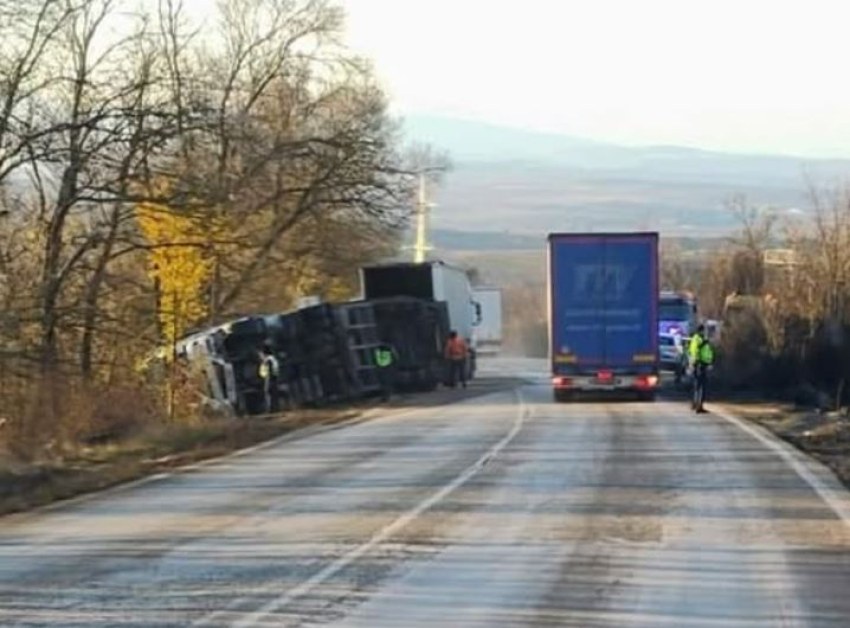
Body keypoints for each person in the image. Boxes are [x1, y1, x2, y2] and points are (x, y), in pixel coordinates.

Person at [689, 326, 715, 413]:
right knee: (700, 386)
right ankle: (698, 406)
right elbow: (695, 351)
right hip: (700, 364)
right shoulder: (698, 339)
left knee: (698, 386)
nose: (704, 332)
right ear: (700, 331)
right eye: (703, 331)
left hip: (702, 364)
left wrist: (710, 362)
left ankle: (696, 404)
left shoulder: (701, 339)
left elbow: (707, 351)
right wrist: (698, 362)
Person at [258, 342, 281, 414]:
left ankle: (270, 409)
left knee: (268, 393)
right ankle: (274, 409)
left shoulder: (268, 360)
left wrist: (268, 379)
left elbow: (268, 370)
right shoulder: (273, 359)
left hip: (270, 378)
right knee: (272, 394)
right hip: (273, 378)